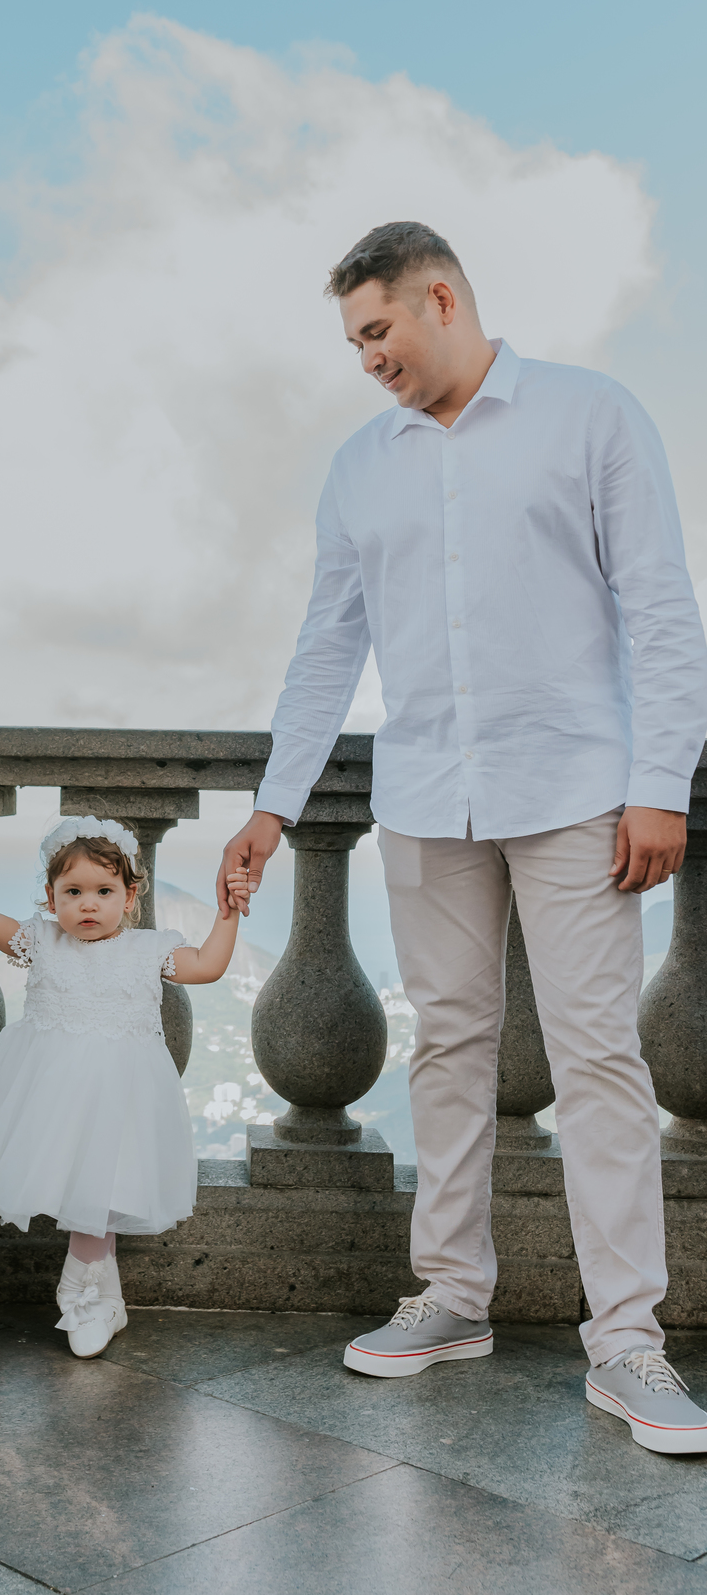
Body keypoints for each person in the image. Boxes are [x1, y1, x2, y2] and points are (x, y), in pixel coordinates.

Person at [217, 221, 707, 1455]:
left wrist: (663, 782)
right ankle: (451, 1296)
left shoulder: (594, 416)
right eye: (353, 342)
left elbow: (660, 608)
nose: (365, 358)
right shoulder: (359, 466)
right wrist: (274, 805)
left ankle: (630, 1342)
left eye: (376, 330)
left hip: (579, 792)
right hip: (428, 800)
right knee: (447, 1047)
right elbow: (327, 646)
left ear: (442, 297)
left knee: (598, 1057)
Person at [0, 815, 249, 1356]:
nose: (87, 905)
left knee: (103, 1187)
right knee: (86, 1192)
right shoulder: (43, 941)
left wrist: (227, 914)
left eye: (103, 891)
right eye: (73, 892)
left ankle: (86, 1295)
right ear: (51, 899)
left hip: (121, 1098)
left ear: (130, 894)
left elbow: (209, 966)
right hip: (52, 1095)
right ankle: (100, 1299)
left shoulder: (147, 950)